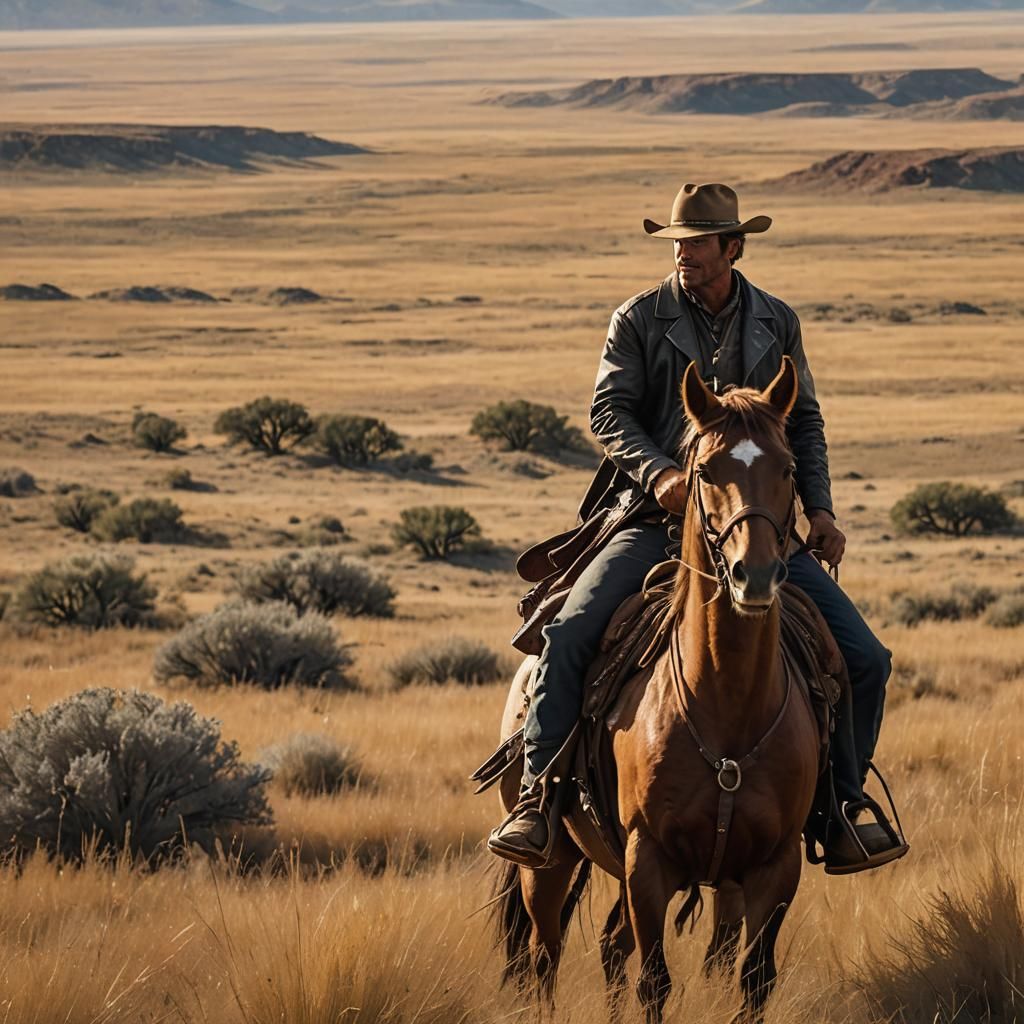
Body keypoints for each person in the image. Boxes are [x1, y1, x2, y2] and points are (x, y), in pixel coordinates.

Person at [488, 182, 904, 873]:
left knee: (866, 659)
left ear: (732, 248)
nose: (683, 255)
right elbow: (609, 414)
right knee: (567, 634)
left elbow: (803, 421)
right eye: (677, 244)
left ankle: (841, 808)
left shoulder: (776, 320)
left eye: (697, 244)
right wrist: (663, 476)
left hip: (759, 526)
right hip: (656, 519)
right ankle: (538, 800)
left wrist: (821, 510)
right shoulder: (639, 317)